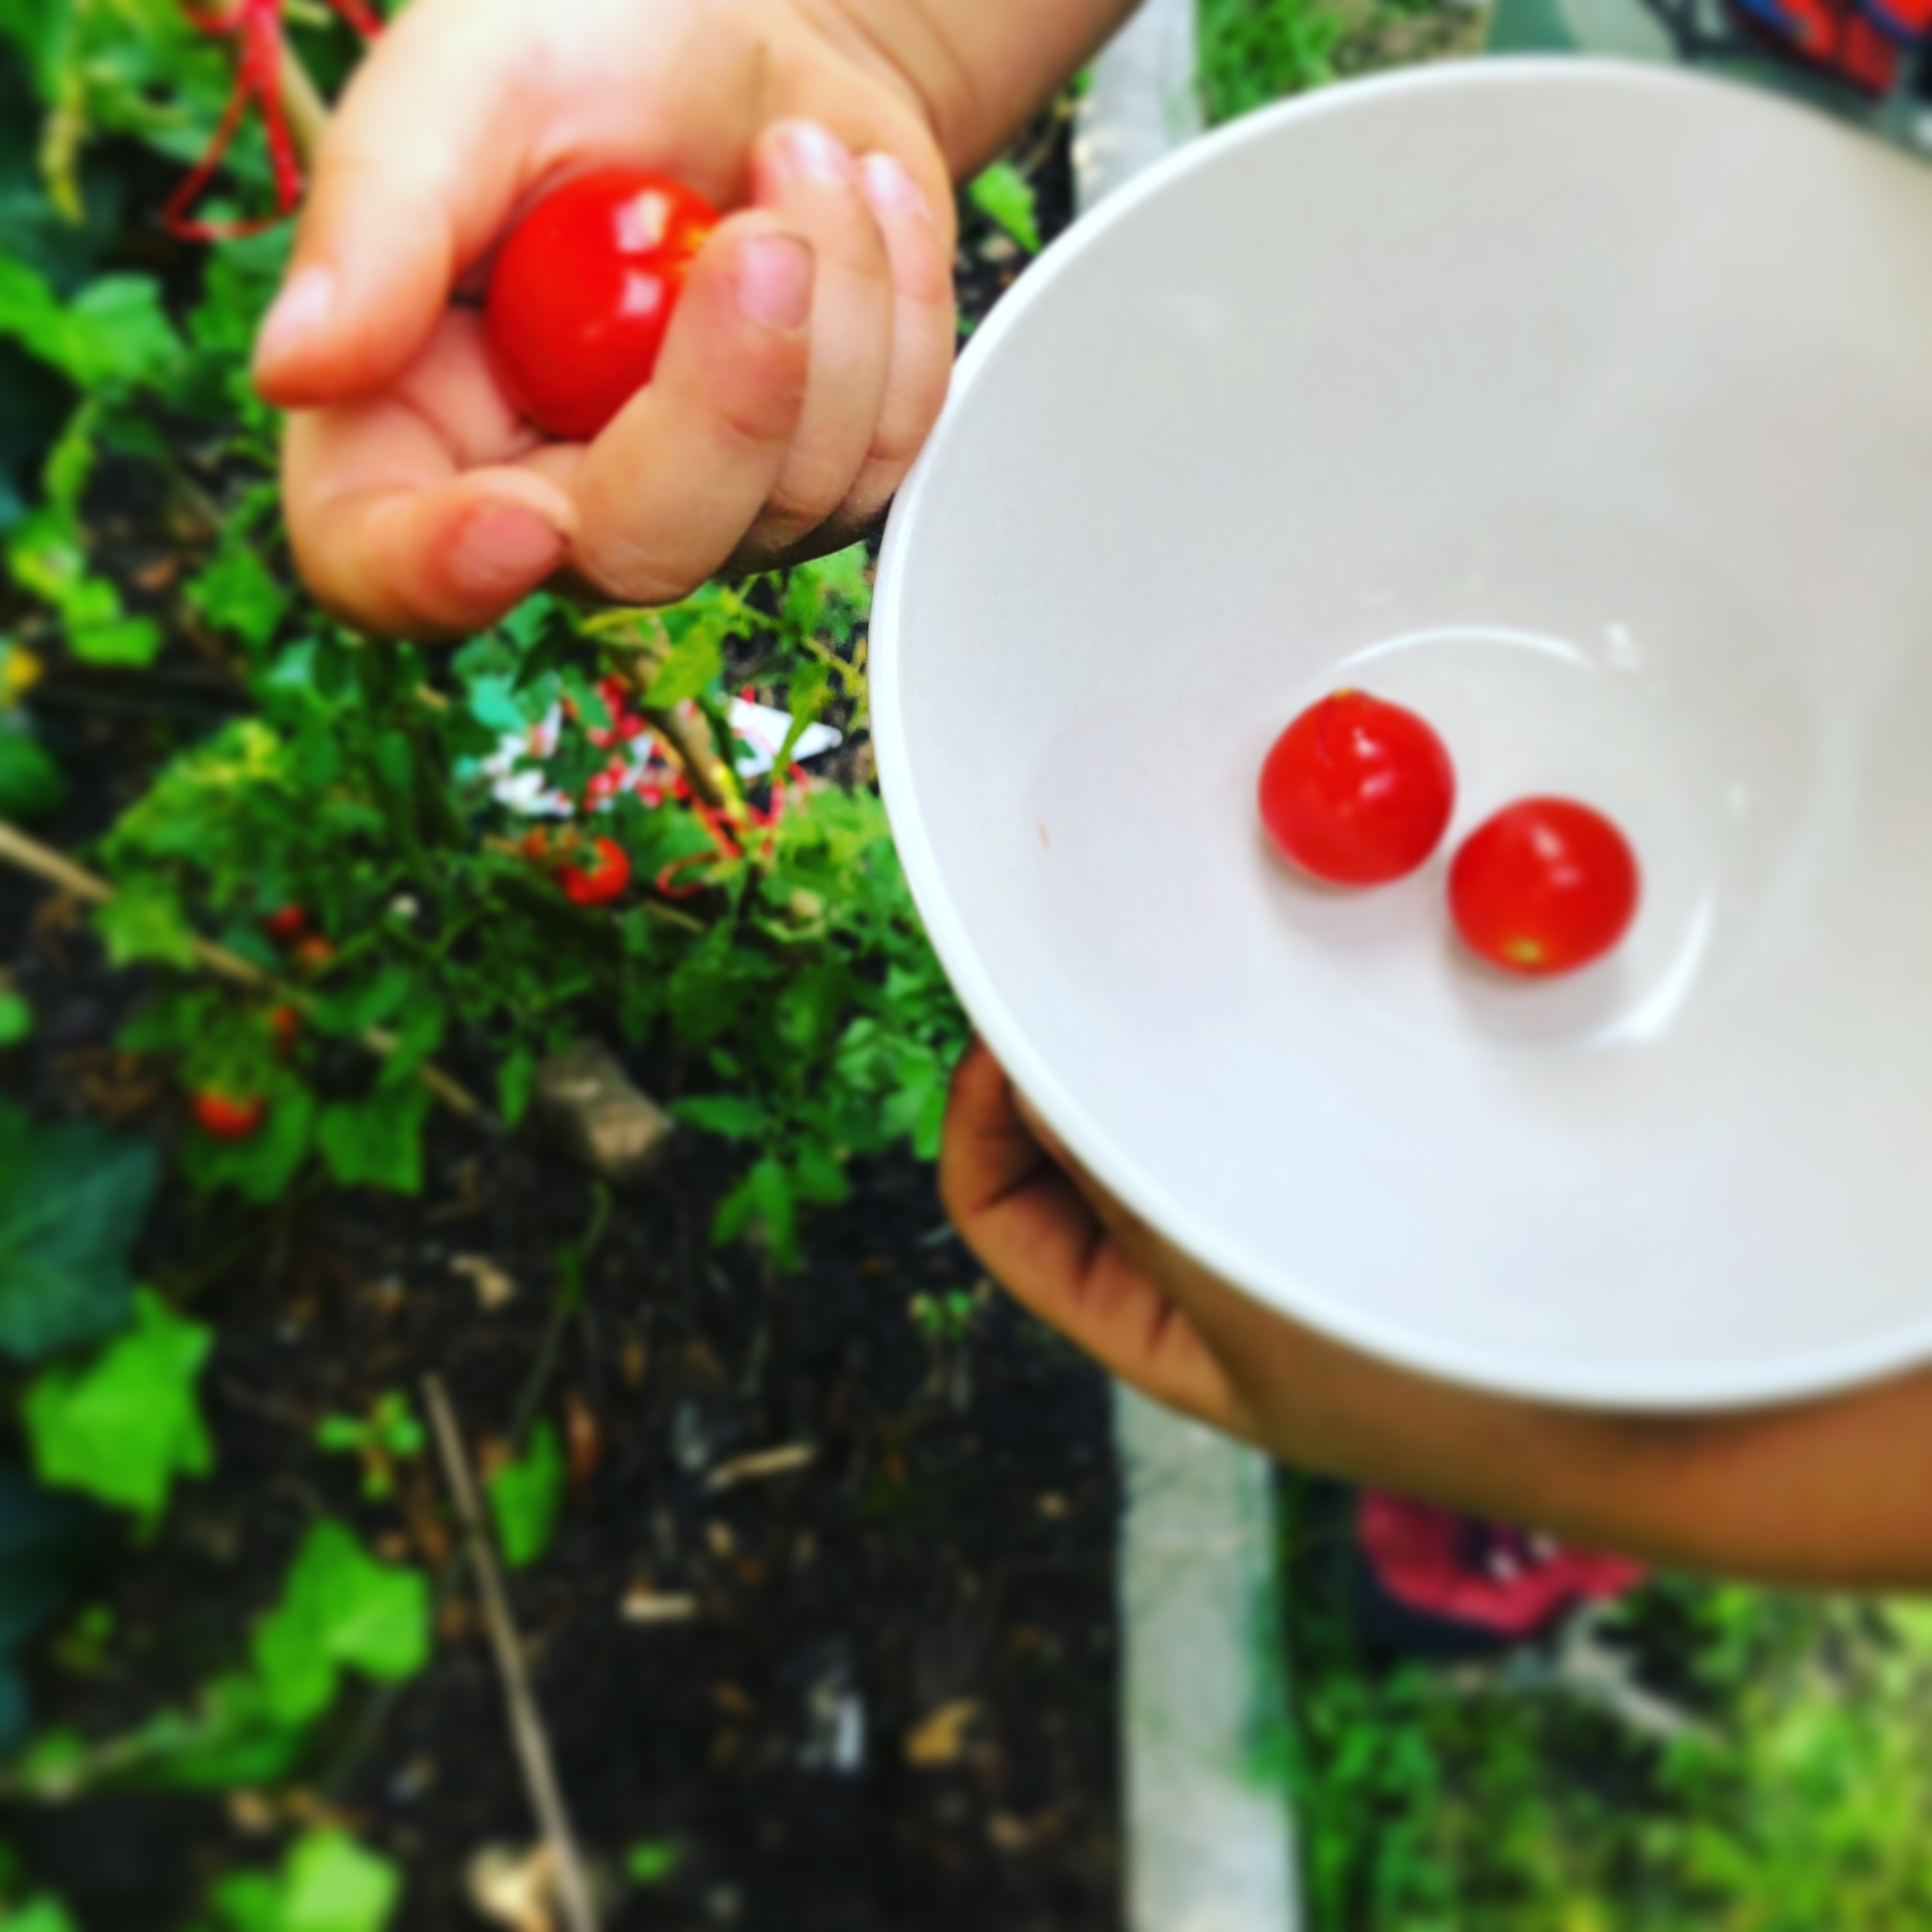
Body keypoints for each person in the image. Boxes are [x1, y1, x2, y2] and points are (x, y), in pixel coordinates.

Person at [256, 0, 1932, 1593]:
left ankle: (1503, 1516)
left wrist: (1633, 1472)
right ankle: (1484, 1493)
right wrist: (861, 39)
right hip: (1645, 223)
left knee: (1613, 1329)